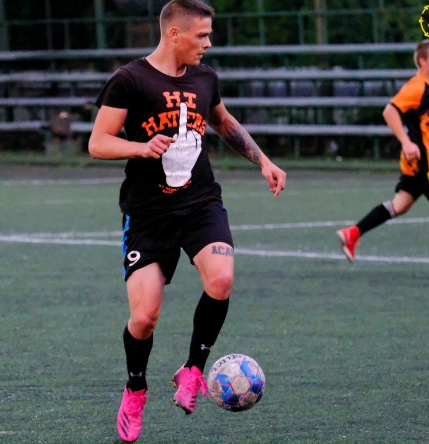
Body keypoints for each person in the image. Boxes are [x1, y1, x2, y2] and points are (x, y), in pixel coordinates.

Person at [87, 1, 286, 442]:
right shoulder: (129, 79)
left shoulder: (205, 78)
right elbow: (98, 143)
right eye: (202, 35)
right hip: (148, 215)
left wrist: (263, 161)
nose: (208, 43)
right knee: (144, 318)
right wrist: (140, 148)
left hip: (200, 204)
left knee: (221, 279)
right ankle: (136, 388)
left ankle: (193, 369)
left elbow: (224, 122)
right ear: (174, 34)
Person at [336, 39, 429, 279]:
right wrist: (405, 141)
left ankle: (352, 233)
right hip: (427, 161)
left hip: (420, 161)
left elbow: (424, 116)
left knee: (400, 205)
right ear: (422, 61)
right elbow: (390, 111)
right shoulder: (416, 87)